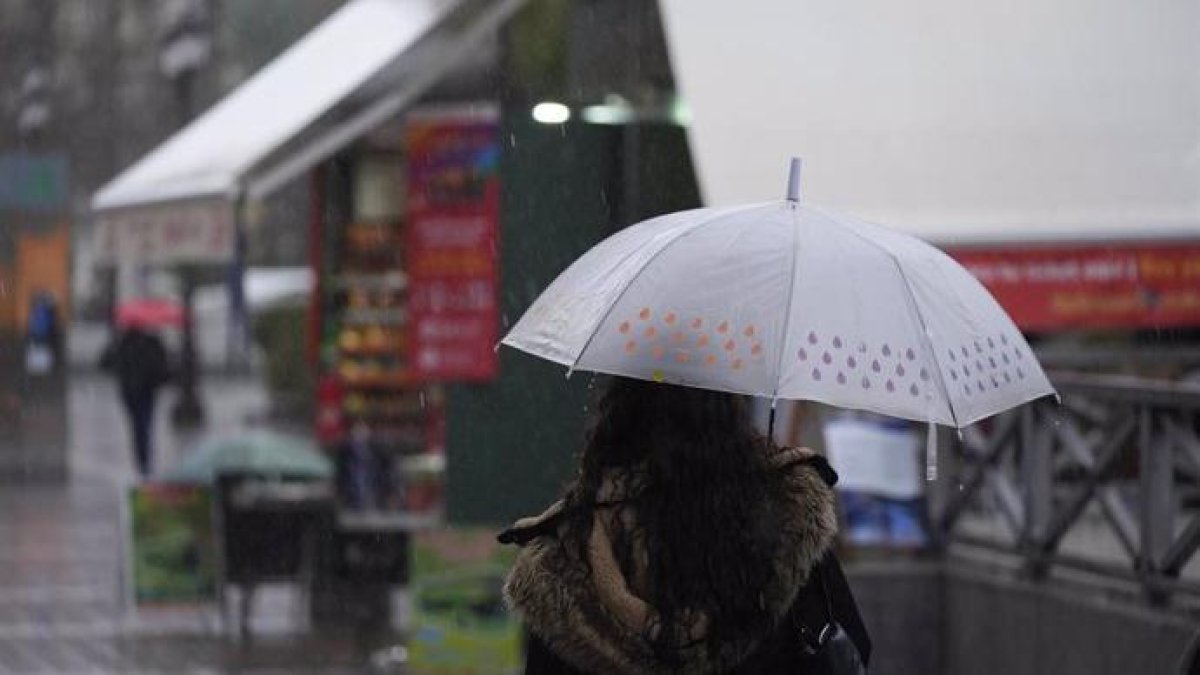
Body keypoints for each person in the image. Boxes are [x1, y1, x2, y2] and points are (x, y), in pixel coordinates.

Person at [499, 377, 870, 674]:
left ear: (616, 424)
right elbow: (851, 648)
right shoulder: (785, 525)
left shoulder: (567, 555)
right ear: (732, 424)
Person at [100, 325, 173, 477]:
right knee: (145, 422)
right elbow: (164, 366)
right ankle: (145, 454)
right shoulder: (152, 342)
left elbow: (105, 363)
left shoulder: (123, 343)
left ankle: (142, 455)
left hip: (130, 391)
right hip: (147, 391)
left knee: (137, 424)